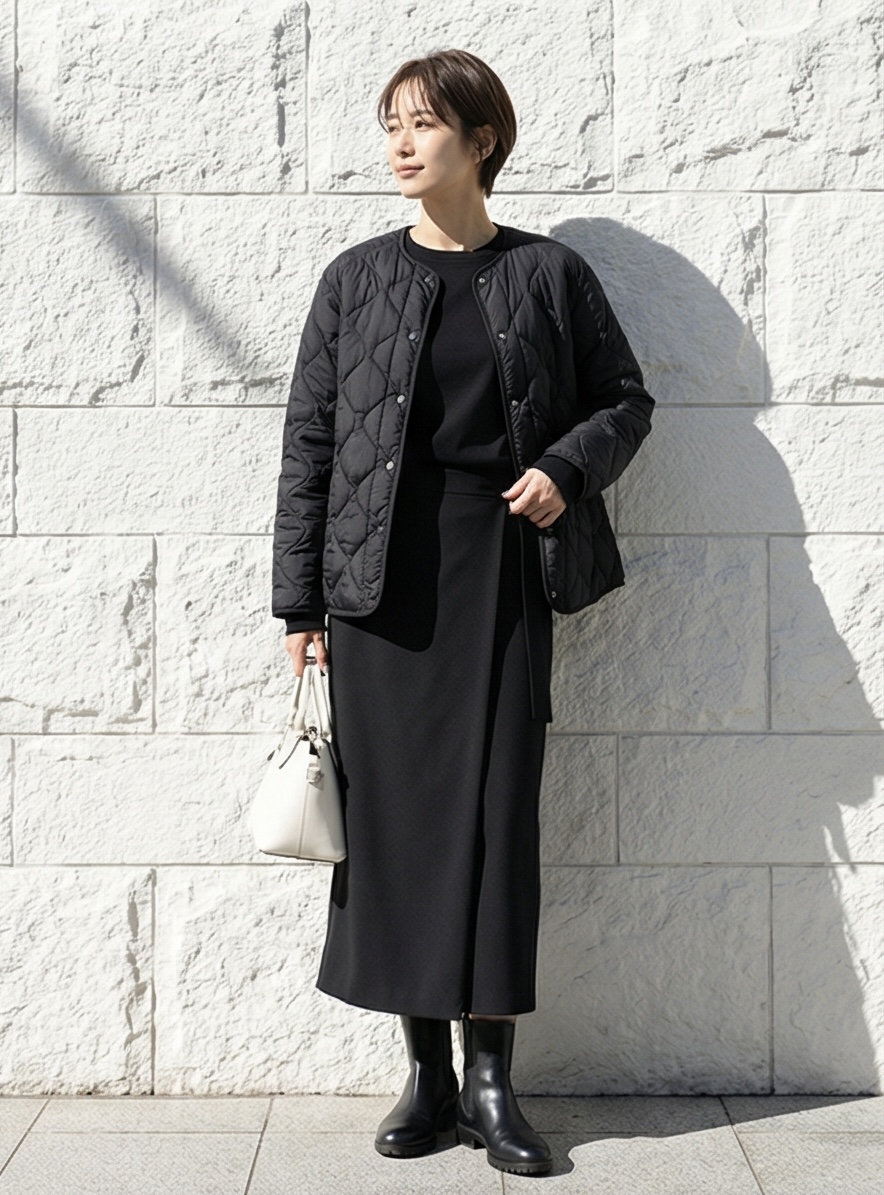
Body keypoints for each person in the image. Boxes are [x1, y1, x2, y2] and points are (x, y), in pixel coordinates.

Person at [271, 48, 655, 1179]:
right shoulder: (354, 279)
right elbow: (309, 444)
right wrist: (298, 601)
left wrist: (565, 470)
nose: (399, 143)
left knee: (495, 821)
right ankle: (427, 1075)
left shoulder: (548, 273)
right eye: (389, 123)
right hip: (379, 590)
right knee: (395, 826)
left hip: (501, 569)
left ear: (481, 141)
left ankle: (491, 1080)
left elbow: (625, 400)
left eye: (423, 124)